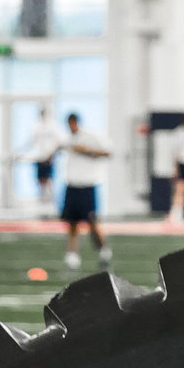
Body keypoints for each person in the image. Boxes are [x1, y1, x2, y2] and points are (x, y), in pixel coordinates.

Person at [59, 112, 112, 270]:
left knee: (92, 223)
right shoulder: (67, 140)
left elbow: (107, 152)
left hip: (87, 186)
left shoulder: (90, 137)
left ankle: (104, 251)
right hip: (72, 185)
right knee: (72, 224)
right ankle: (72, 258)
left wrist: (85, 150)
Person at [20, 105, 63, 212]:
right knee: (40, 182)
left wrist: (52, 155)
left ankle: (52, 206)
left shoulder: (53, 125)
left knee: (49, 181)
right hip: (39, 157)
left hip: (49, 158)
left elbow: (59, 142)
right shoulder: (36, 126)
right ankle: (42, 204)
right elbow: (32, 142)